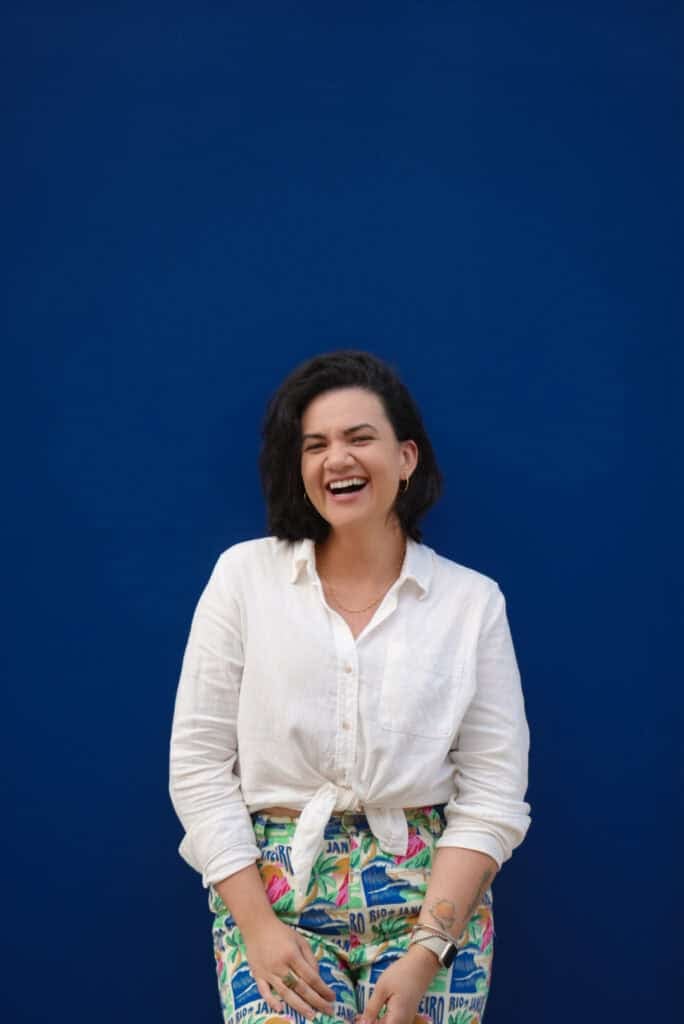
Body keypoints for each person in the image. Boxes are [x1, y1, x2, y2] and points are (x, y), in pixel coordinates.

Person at [169, 349, 531, 1024]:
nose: (337, 458)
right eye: (316, 445)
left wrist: (428, 951)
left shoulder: (472, 603)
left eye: (360, 438)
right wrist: (257, 927)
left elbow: (492, 792)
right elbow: (197, 766)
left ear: (406, 458)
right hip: (277, 894)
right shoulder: (244, 578)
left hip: (433, 906)